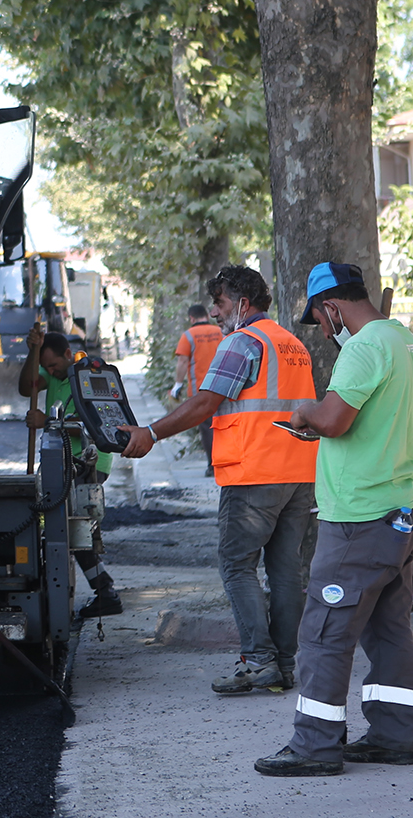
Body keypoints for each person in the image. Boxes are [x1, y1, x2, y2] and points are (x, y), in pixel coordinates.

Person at [256, 263, 413, 777]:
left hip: (362, 517)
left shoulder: (362, 347)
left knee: (324, 632)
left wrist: (306, 414)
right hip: (404, 507)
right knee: (386, 629)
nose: (326, 328)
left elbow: (334, 419)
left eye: (320, 317)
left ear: (330, 307)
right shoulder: (406, 342)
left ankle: (314, 746)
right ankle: (395, 735)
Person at [117, 265, 318, 695]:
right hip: (299, 472)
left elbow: (206, 402)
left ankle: (259, 661)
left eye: (221, 302)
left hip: (254, 473)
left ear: (244, 303)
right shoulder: (292, 343)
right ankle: (283, 663)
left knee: (236, 564)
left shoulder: (242, 342)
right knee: (284, 570)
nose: (214, 310)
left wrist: (151, 433)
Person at [18, 325, 120, 618]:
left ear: (67, 354)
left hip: (87, 462)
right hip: (61, 462)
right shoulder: (54, 375)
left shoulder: (85, 376)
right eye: (45, 366)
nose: (50, 370)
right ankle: (103, 589)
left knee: (72, 527)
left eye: (53, 364)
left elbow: (86, 421)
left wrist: (46, 422)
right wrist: (32, 352)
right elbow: (28, 387)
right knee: (71, 528)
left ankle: (105, 592)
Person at [174, 304, 225, 476]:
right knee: (224, 425)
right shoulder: (220, 331)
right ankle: (226, 461)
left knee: (207, 428)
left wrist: (177, 385)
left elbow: (182, 362)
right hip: (225, 387)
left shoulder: (188, 335)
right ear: (206, 315)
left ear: (191, 318)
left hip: (201, 390)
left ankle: (213, 466)